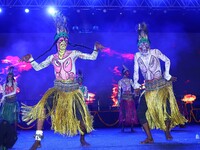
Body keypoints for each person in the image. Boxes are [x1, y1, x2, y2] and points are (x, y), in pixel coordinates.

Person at [20, 12, 104, 150]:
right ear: (56, 43)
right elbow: (38, 67)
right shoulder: (52, 58)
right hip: (58, 90)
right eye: (60, 40)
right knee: (41, 109)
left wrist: (95, 48)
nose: (63, 42)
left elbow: (92, 57)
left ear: (67, 41)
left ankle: (82, 139)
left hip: (73, 91)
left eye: (65, 40)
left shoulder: (74, 53)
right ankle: (38, 140)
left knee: (82, 120)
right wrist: (30, 59)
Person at [134, 22, 187, 144]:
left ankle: (167, 131)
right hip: (148, 89)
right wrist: (136, 85)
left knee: (167, 110)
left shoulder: (155, 52)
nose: (143, 47)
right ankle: (149, 137)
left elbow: (167, 60)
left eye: (145, 44)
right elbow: (136, 71)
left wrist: (167, 75)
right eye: (140, 45)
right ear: (138, 47)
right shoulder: (136, 56)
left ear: (149, 45)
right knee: (140, 112)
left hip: (161, 86)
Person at [0, 66, 19, 149]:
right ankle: (5, 136)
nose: (10, 77)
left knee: (13, 120)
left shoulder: (15, 84)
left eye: (11, 76)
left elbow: (14, 92)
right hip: (7, 103)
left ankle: (13, 134)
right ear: (7, 77)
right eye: (9, 76)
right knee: (5, 121)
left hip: (13, 103)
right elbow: (4, 94)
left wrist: (5, 96)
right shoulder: (4, 85)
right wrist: (2, 100)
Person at [117, 65, 138, 132]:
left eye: (128, 72)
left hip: (130, 97)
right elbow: (119, 91)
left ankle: (131, 128)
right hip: (124, 98)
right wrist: (118, 100)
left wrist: (135, 93)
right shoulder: (120, 81)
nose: (128, 73)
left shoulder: (130, 80)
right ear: (124, 73)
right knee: (123, 112)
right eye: (127, 72)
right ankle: (123, 128)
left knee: (131, 112)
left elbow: (134, 87)